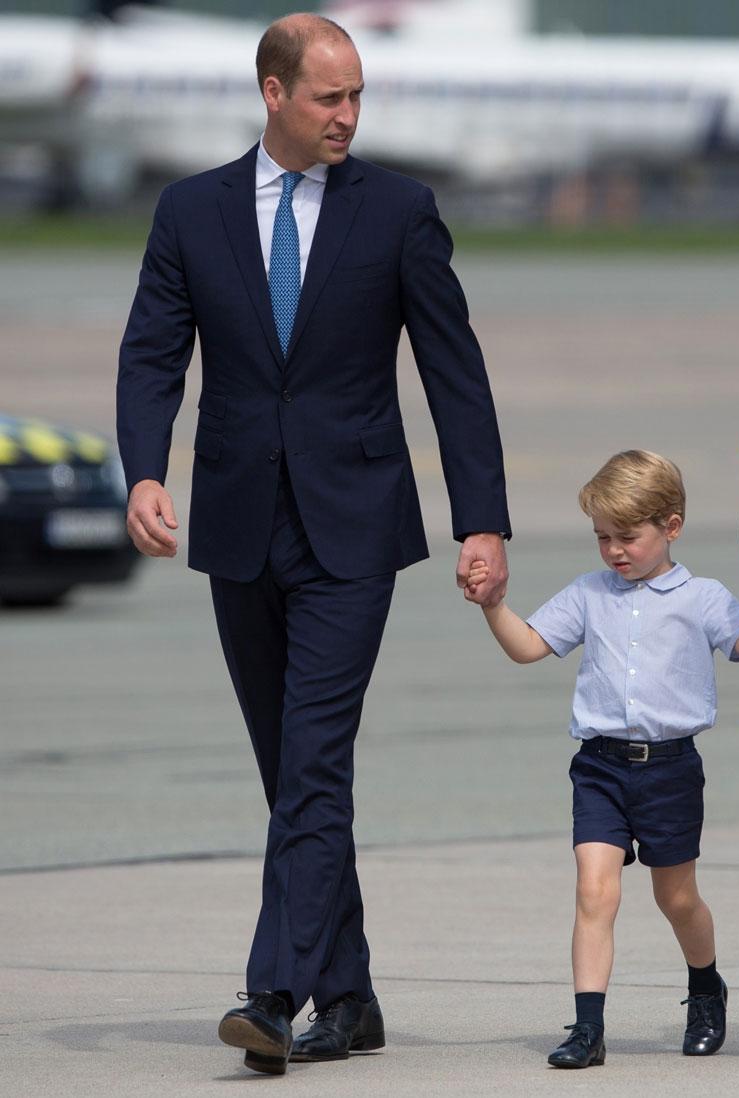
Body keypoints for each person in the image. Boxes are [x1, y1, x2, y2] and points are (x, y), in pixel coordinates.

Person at [115, 14, 511, 1076]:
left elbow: (453, 374)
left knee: (314, 762)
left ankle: (272, 991)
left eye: (357, 97)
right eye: (330, 97)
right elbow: (154, 350)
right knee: (288, 774)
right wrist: (145, 469)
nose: (348, 116)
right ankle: (350, 992)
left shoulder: (398, 211)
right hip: (240, 524)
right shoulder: (190, 211)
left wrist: (483, 519)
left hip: (355, 527)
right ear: (273, 92)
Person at [469, 450, 739, 1068]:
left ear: (672, 525)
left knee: (677, 898)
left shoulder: (703, 597)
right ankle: (588, 1028)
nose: (613, 550)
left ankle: (706, 987)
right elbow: (530, 647)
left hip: (670, 770)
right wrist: (492, 606)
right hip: (600, 767)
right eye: (602, 537)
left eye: (627, 537)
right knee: (594, 892)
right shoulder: (589, 594)